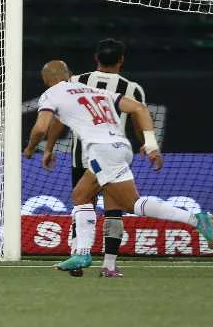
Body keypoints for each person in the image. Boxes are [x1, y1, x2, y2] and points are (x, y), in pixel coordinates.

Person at [24, 60, 213, 275]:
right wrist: (151, 145)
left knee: (131, 203)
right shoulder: (94, 91)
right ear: (70, 74)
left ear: (45, 80)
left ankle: (195, 219)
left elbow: (41, 128)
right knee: (80, 195)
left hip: (101, 151)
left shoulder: (51, 94)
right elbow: (139, 108)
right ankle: (83, 253)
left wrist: (31, 149)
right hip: (121, 148)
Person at [44, 39, 147, 277]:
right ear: (121, 59)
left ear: (96, 58)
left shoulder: (76, 81)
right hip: (113, 158)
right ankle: (109, 265)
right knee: (114, 212)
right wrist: (145, 145)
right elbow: (138, 121)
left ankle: (77, 258)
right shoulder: (131, 88)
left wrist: (49, 147)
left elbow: (59, 119)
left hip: (82, 157)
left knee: (82, 205)